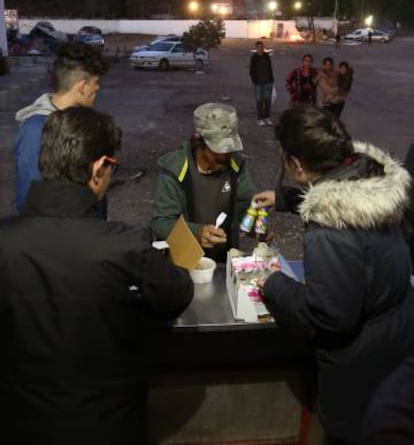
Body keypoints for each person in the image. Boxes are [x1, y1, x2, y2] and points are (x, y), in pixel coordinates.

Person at [0, 106, 194, 445]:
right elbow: (177, 292)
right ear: (98, 168)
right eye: (112, 167)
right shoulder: (125, 246)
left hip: (17, 423)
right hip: (107, 424)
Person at [252, 107, 414, 445]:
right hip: (396, 341)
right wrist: (283, 197)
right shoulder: (370, 179)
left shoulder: (328, 232)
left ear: (296, 165)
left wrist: (272, 283)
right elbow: (342, 192)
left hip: (360, 366)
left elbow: (329, 317)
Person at [151, 102, 255, 263]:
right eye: (219, 150)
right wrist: (196, 232)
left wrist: (254, 223)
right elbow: (162, 222)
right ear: (198, 141)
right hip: (183, 260)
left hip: (225, 259)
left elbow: (245, 204)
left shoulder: (236, 164)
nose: (225, 156)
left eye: (230, 149)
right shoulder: (174, 170)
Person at [14, 40, 108, 213]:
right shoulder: (36, 130)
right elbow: (28, 199)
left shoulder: (80, 122)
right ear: (82, 87)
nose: (98, 88)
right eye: (96, 82)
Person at [249, 40, 274, 126]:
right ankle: (260, 119)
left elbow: (270, 68)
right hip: (259, 83)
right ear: (256, 48)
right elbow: (251, 71)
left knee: (268, 101)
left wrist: (271, 79)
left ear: (263, 47)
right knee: (260, 101)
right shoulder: (254, 57)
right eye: (258, 47)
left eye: (261, 46)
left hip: (268, 82)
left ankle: (267, 118)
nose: (260, 48)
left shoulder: (266, 56)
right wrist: (254, 81)